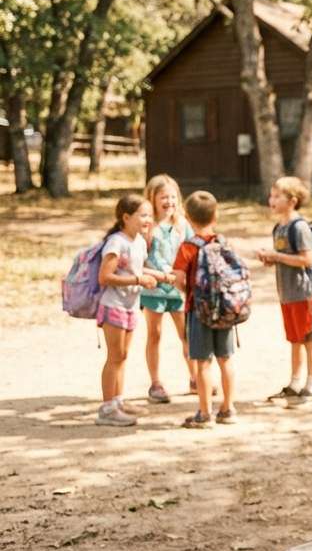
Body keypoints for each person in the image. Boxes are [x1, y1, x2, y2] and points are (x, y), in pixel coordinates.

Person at [171, 191, 237, 428]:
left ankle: (204, 412)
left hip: (198, 311)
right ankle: (228, 408)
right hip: (226, 310)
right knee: (225, 359)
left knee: (202, 362)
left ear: (187, 218)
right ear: (215, 216)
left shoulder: (188, 248)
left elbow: (179, 279)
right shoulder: (223, 242)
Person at [95, 194, 159, 427]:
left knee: (122, 356)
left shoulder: (139, 241)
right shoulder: (116, 243)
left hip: (131, 306)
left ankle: (118, 401)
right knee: (114, 358)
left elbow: (139, 269)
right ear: (126, 217)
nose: (148, 220)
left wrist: (161, 276)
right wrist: (138, 280)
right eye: (143, 215)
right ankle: (107, 409)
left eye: (150, 215)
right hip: (114, 306)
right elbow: (105, 277)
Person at [257, 176, 312, 407]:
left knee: (308, 340)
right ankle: (295, 383)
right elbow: (288, 259)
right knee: (294, 340)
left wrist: (277, 256)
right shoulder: (279, 228)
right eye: (271, 195)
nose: (271, 200)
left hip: (303, 294)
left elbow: (307, 259)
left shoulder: (299, 227)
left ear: (292, 201)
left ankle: (311, 384)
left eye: (277, 196)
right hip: (286, 294)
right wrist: (272, 259)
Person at [139, 174, 196, 403]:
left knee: (187, 335)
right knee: (155, 334)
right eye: (164, 197)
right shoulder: (146, 227)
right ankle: (155, 382)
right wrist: (162, 274)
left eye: (173, 197)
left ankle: (195, 377)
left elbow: (192, 251)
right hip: (153, 290)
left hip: (179, 290)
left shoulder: (183, 225)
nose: (169, 202)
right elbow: (141, 259)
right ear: (152, 199)